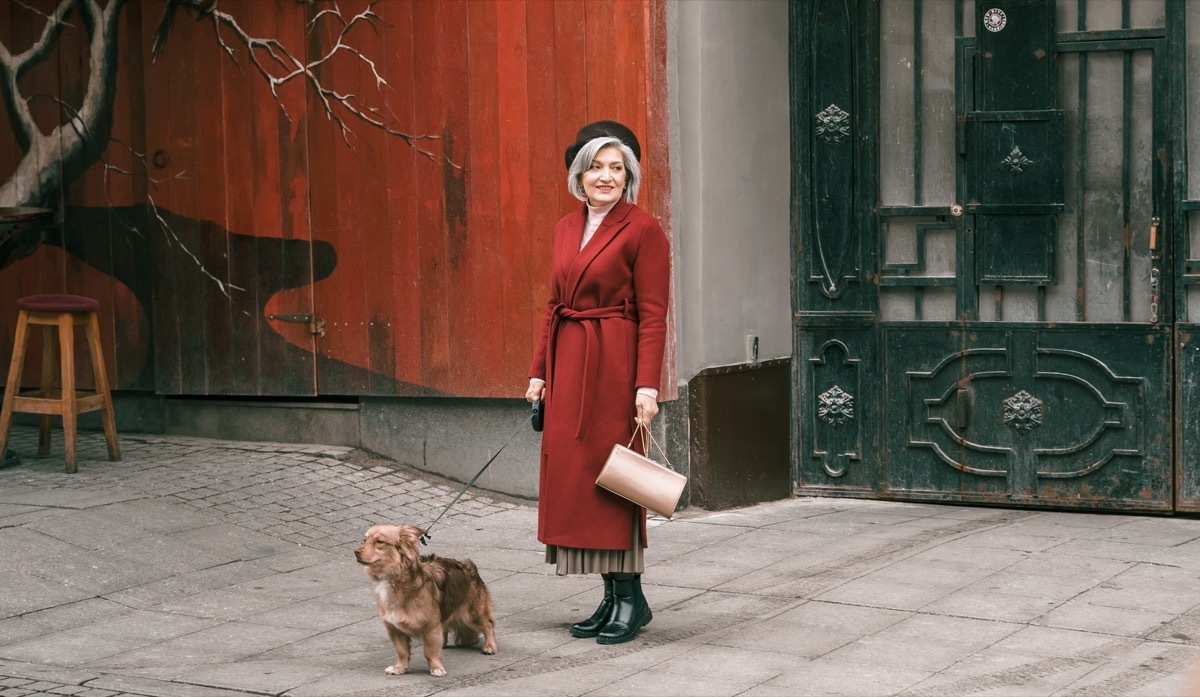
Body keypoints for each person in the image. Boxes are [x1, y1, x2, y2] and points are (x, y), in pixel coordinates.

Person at [525, 120, 671, 645]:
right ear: (579, 175)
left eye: (616, 168)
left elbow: (654, 315)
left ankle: (631, 597)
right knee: (578, 481)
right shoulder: (566, 228)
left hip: (615, 367)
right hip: (570, 364)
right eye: (596, 167)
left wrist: (646, 387)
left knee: (615, 479)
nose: (605, 177)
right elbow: (553, 306)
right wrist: (539, 372)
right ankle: (611, 597)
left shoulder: (643, 229)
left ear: (628, 175)